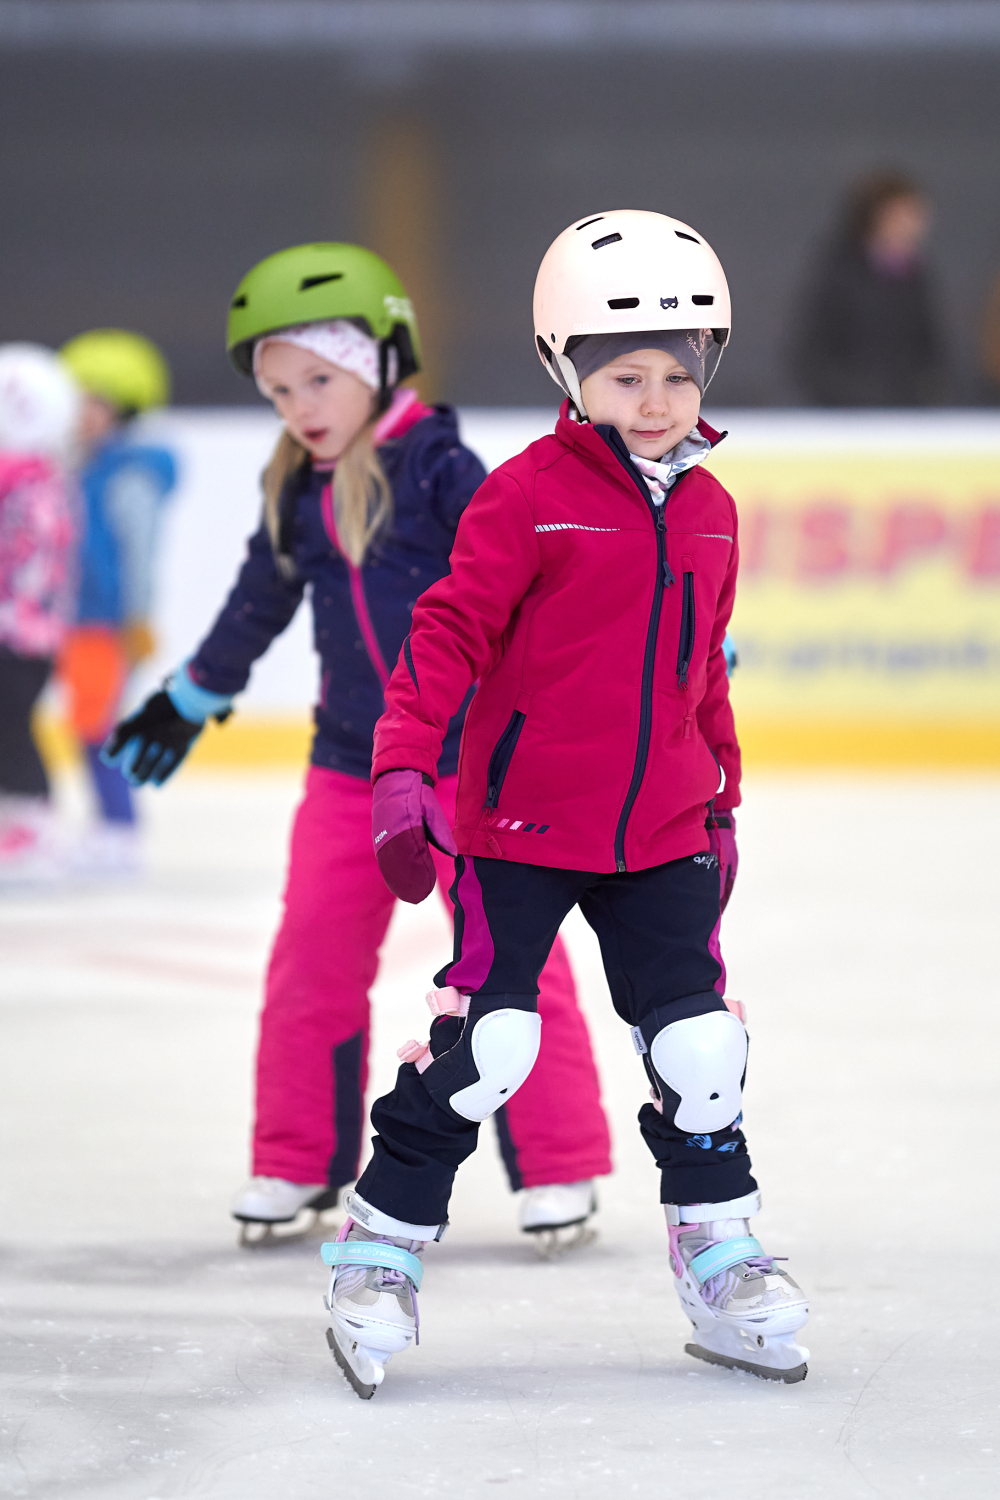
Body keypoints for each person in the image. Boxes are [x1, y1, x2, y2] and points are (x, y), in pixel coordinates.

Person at [321, 210, 810, 1400]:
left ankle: (718, 1250)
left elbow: (701, 675)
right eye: (625, 377)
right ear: (567, 370)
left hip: (662, 835)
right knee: (492, 1046)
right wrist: (403, 769)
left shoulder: (711, 509)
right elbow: (445, 634)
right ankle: (380, 1243)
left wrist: (721, 802)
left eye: (676, 376)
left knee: (701, 1050)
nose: (656, 401)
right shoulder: (526, 497)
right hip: (520, 830)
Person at [102, 243, 612, 1250]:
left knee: (513, 967)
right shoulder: (299, 486)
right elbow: (257, 602)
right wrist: (194, 693)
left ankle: (561, 1165)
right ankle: (296, 1161)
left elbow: (538, 579)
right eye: (278, 391)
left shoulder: (441, 470)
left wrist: (639, 634)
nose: (299, 407)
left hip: (472, 772)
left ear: (380, 361)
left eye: (318, 380)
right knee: (311, 958)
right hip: (350, 766)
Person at [57, 330, 177, 874]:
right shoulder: (86, 463)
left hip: (106, 620)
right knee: (88, 721)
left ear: (123, 408)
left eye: (94, 401)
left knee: (97, 724)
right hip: (76, 616)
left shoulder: (130, 472)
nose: (80, 413)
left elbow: (139, 550)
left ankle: (119, 829)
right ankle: (109, 825)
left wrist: (138, 617)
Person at [0, 344, 80, 882]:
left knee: (13, 724)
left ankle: (35, 829)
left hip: (23, 634)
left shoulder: (34, 484)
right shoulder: (31, 480)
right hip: (24, 630)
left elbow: (31, 562)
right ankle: (22, 823)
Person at [792, 170, 943, 405]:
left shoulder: (917, 279)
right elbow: (810, 357)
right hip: (847, 413)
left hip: (907, 412)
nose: (913, 224)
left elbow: (931, 350)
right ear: (877, 216)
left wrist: (925, 391)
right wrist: (856, 398)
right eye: (902, 214)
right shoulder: (838, 274)